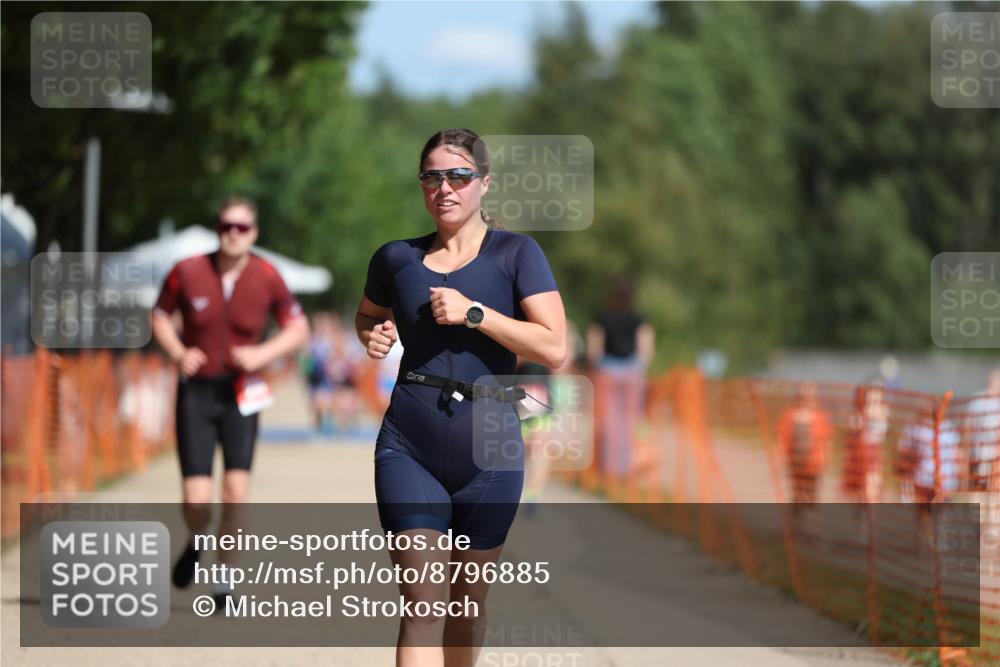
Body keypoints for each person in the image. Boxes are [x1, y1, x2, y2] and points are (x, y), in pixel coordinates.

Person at [355, 128, 566, 666]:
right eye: (432, 176)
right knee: (421, 605)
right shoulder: (394, 259)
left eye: (458, 176)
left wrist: (476, 313)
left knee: (465, 606)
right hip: (410, 443)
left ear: (483, 183)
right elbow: (367, 314)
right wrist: (372, 334)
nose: (444, 187)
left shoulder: (517, 253)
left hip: (490, 449)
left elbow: (555, 347)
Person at [152, 196, 309, 607]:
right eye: (226, 226)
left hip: (241, 393)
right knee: (197, 498)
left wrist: (263, 354)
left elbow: (298, 327)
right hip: (197, 394)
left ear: (254, 233)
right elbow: (159, 316)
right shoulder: (187, 272)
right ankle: (197, 535)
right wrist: (177, 352)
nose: (232, 234)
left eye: (241, 228)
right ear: (217, 228)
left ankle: (225, 579)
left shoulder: (267, 275)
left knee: (236, 491)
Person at [586, 276, 654, 488]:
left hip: (607, 370)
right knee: (629, 422)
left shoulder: (602, 318)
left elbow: (593, 348)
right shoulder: (639, 319)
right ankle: (625, 470)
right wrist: (638, 369)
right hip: (632, 371)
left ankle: (610, 470)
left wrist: (596, 366)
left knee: (608, 423)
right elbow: (646, 348)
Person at [776, 382, 833, 510]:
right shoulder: (789, 414)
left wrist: (826, 460)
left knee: (811, 495)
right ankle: (797, 521)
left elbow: (826, 441)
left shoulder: (821, 416)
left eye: (811, 394)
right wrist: (779, 458)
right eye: (804, 394)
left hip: (814, 463)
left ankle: (808, 520)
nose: (807, 398)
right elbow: (782, 438)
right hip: (795, 461)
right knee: (797, 494)